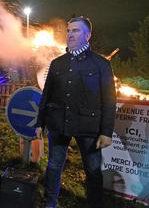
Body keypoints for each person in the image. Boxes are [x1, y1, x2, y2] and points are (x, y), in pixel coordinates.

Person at [35, 16, 117, 208]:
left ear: (87, 35)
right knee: (54, 166)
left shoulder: (101, 65)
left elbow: (109, 100)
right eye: (69, 30)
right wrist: (40, 122)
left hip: (88, 127)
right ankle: (50, 203)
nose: (70, 34)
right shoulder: (57, 63)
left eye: (76, 30)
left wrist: (106, 132)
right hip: (58, 124)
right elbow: (46, 95)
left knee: (93, 170)